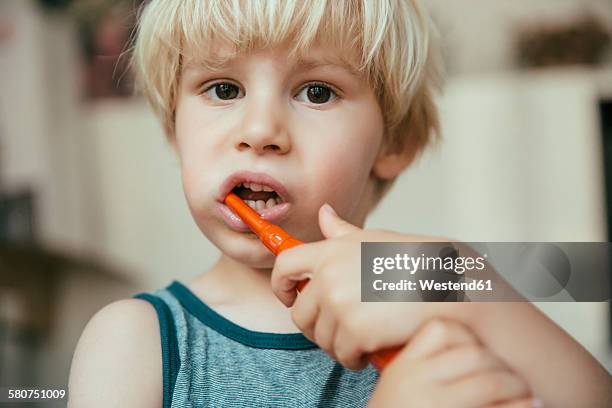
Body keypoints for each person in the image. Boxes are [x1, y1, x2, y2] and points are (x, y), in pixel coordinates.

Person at [68, 1, 612, 407]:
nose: (260, 130)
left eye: (317, 92)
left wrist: (463, 284)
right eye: (223, 88)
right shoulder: (136, 343)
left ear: (394, 144)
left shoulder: (433, 300)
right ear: (174, 130)